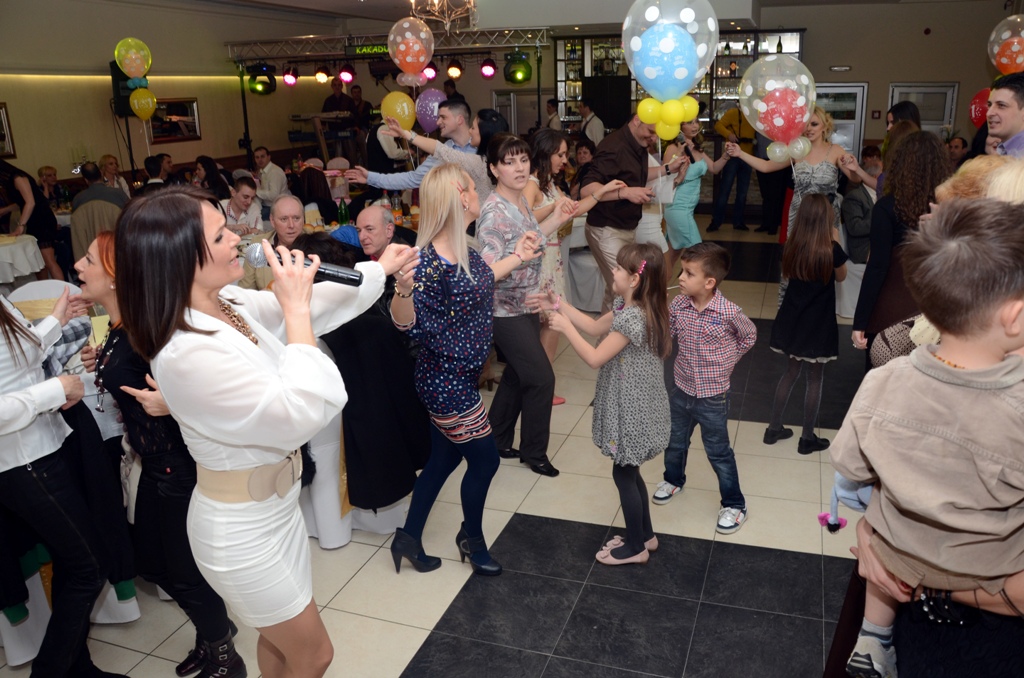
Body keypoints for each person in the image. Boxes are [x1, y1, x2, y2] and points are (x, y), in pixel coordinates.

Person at [114, 184, 417, 678]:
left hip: (277, 509)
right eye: (220, 235)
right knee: (315, 654)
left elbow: (308, 306)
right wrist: (295, 310)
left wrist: (378, 270)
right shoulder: (185, 350)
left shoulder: (224, 301)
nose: (238, 238)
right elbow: (301, 411)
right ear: (179, 257)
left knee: (277, 643)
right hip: (240, 531)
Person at [831, 198, 1024, 678]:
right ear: (1015, 316)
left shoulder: (885, 379)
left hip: (897, 560)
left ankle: (872, 640)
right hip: (986, 581)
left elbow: (851, 472)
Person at [75, 232, 244, 678]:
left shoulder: (146, 330)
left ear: (115, 276)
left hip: (178, 465)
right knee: (151, 564)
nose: (77, 266)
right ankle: (215, 629)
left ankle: (225, 657)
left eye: (88, 260)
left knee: (183, 572)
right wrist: (102, 363)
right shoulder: (119, 326)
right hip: (152, 462)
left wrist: (171, 400)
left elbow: (203, 387)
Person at [388, 162, 542, 575]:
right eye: (473, 188)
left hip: (460, 378)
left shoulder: (463, 250)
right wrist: (402, 290)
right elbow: (404, 323)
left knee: (444, 460)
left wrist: (518, 256)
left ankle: (408, 537)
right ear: (459, 197)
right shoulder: (427, 262)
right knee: (486, 461)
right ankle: (472, 541)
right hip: (446, 384)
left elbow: (483, 279)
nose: (479, 193)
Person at [0, 288, 129, 677]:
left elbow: (14, 359)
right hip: (21, 463)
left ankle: (77, 667)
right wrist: (54, 390)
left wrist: (56, 320)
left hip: (45, 448)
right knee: (90, 565)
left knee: (73, 561)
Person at [531, 243, 671, 565]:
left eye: (619, 268)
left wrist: (564, 327)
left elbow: (595, 358)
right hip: (637, 407)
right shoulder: (633, 305)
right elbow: (594, 327)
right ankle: (646, 536)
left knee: (623, 474)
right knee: (630, 471)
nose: (613, 271)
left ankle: (635, 547)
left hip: (632, 412)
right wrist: (560, 304)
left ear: (634, 279)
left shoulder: (633, 318)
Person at [478, 134, 576, 477]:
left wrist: (558, 218)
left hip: (526, 302)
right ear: (494, 169)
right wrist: (519, 256)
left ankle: (496, 439)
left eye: (523, 160)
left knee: (518, 375)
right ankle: (535, 453)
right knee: (542, 378)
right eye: (509, 162)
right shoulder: (494, 213)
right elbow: (489, 270)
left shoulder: (519, 201)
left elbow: (532, 238)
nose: (519, 168)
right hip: (504, 310)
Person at [652, 243, 756, 536]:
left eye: (688, 273)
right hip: (681, 388)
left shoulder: (728, 312)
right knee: (675, 441)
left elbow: (749, 336)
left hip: (713, 397)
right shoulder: (679, 304)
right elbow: (667, 334)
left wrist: (728, 361)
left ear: (709, 282)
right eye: (681, 271)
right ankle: (673, 480)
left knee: (718, 452)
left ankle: (734, 505)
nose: (680, 277)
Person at [523, 128, 624, 403]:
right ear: (545, 154)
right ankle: (540, 387)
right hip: (538, 260)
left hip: (551, 258)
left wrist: (601, 192)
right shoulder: (531, 184)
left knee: (551, 322)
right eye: (560, 154)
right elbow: (525, 218)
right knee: (550, 321)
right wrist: (554, 209)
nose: (564, 160)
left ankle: (542, 385)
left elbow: (573, 210)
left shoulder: (548, 185)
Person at [851, 132, 952, 360]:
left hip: (890, 309)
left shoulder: (886, 207)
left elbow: (877, 267)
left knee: (883, 377)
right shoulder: (951, 208)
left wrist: (860, 321)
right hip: (935, 311)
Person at [762, 195, 848, 454]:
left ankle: (773, 428)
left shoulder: (792, 245)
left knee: (790, 372)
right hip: (818, 322)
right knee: (815, 378)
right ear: (826, 220)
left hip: (793, 318)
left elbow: (788, 274)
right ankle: (807, 437)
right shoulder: (831, 249)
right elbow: (841, 277)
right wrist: (836, 241)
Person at [582, 115, 686, 312]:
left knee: (615, 289)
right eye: (651, 132)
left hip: (627, 228)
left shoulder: (638, 143)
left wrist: (667, 169)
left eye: (657, 135)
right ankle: (612, 331)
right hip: (606, 229)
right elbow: (586, 189)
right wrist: (626, 192)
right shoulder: (613, 146)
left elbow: (638, 173)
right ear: (637, 120)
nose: (653, 139)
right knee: (627, 287)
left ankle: (606, 331)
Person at [726, 106, 857, 238]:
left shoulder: (836, 150)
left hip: (826, 215)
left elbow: (855, 179)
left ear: (824, 126)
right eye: (805, 125)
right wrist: (740, 153)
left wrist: (855, 168)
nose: (809, 128)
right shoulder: (796, 150)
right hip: (800, 214)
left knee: (827, 250)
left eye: (814, 124)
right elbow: (766, 166)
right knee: (799, 250)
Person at [344, 100, 476, 196]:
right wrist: (370, 178)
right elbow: (412, 179)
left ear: (459, 120)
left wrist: (406, 134)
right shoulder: (441, 151)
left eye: (443, 117)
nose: (438, 122)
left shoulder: (483, 147)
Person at [379, 107, 508, 203]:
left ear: (484, 134)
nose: (470, 131)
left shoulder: (479, 163)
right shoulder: (502, 160)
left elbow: (438, 149)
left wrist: (406, 134)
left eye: (473, 128)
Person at [663, 118, 728, 276]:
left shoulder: (697, 148)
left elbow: (714, 168)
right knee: (699, 254)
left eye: (696, 122)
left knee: (671, 256)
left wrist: (726, 155)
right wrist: (679, 155)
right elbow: (665, 178)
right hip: (677, 207)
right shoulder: (673, 148)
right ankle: (697, 287)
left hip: (688, 209)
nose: (695, 126)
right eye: (689, 122)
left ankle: (658, 288)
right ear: (679, 126)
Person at [0, 158, 65, 280]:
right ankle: (44, 289)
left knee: (49, 261)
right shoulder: (10, 181)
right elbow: (21, 203)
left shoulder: (17, 177)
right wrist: (4, 210)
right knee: (40, 263)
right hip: (34, 220)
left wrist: (20, 226)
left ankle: (65, 290)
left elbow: (30, 202)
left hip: (42, 219)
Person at [240, 194, 306, 290]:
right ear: (272, 221)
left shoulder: (316, 246)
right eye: (284, 219)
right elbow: (245, 290)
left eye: (296, 218)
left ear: (303, 219)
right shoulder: (258, 245)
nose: (291, 225)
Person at [708, 103, 756, 232]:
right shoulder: (733, 112)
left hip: (747, 157)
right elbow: (718, 125)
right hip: (732, 156)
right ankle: (716, 221)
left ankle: (738, 222)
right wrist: (729, 134)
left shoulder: (754, 115)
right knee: (725, 190)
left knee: (742, 193)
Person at [840, 145, 882, 266]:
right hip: (864, 249)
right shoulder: (854, 197)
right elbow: (855, 227)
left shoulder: (882, 196)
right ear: (875, 177)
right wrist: (881, 221)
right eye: (883, 176)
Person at [987, 72, 1024, 157]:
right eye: (989, 105)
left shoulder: (1020, 158)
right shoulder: (1004, 151)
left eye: (1001, 105)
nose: (989, 113)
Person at [253, 146, 289, 220]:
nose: (260, 160)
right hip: (267, 205)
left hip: (277, 207)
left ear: (269, 157)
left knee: (254, 218)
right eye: (257, 157)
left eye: (262, 156)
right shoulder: (262, 171)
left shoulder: (274, 172)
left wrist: (255, 191)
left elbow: (274, 195)